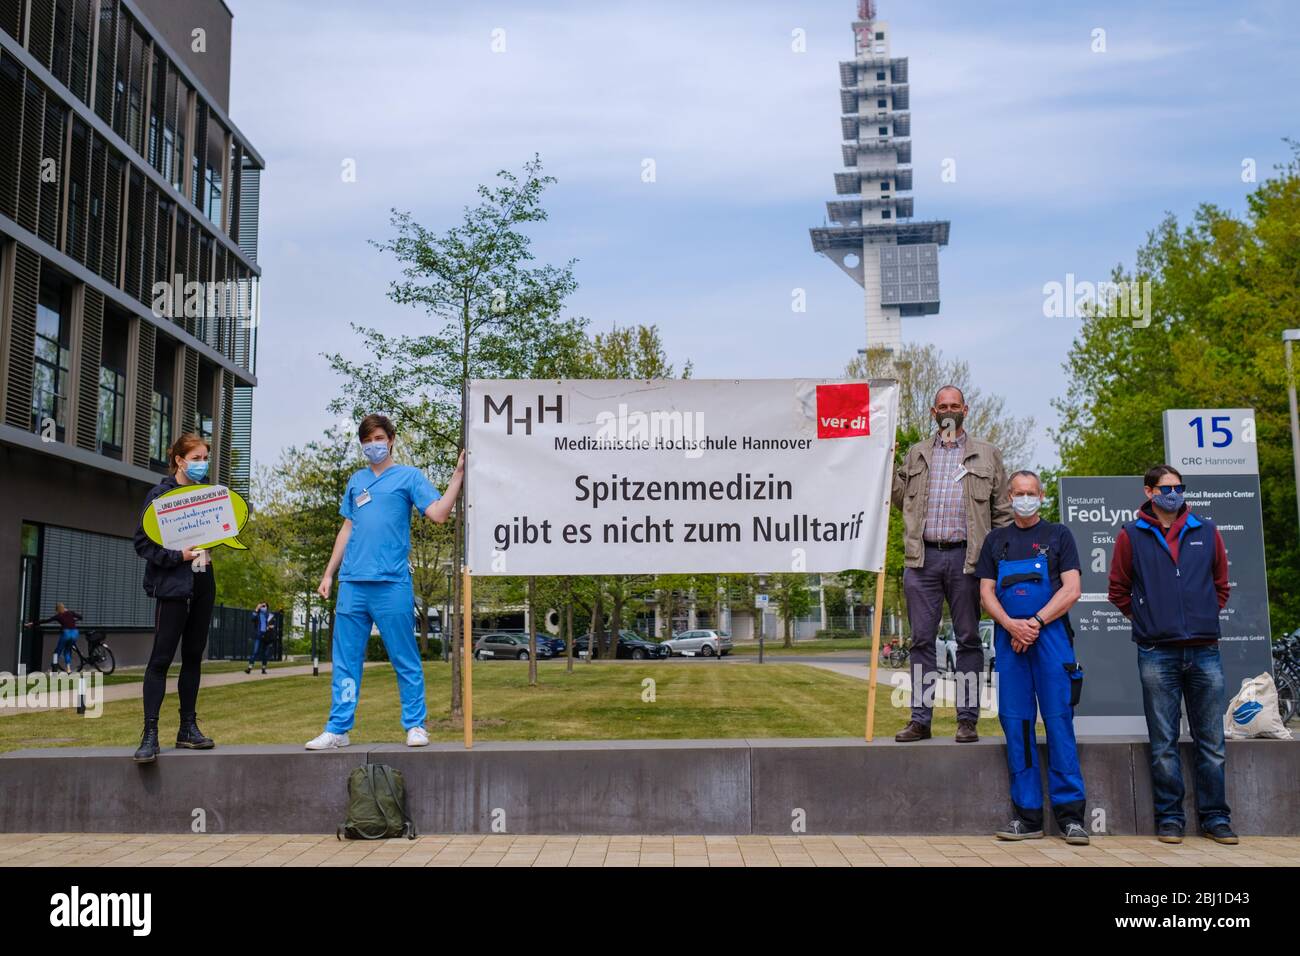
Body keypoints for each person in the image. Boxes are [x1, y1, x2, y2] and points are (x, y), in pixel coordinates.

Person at [306, 414, 464, 750]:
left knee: (404, 657)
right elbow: (347, 529)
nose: (373, 445)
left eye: (379, 437)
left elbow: (437, 514)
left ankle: (416, 725)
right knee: (346, 660)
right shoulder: (355, 481)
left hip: (392, 583)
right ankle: (338, 729)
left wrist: (457, 478)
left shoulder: (408, 477)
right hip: (352, 584)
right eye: (367, 440)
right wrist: (328, 573)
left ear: (391, 439)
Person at [1108, 464, 1236, 845]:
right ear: (1149, 492)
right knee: (1163, 743)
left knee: (1211, 741)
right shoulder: (1131, 535)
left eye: (1179, 487)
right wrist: (1148, 620)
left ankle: (1216, 819)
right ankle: (1170, 819)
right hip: (1156, 652)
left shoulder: (1206, 531)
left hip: (1204, 650)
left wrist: (1204, 617)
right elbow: (1118, 589)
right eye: (1166, 488)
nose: (1175, 493)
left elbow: (1221, 585)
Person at [891, 385, 1011, 742]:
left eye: (954, 405)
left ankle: (967, 719)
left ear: (965, 409)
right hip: (922, 559)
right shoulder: (916, 454)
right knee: (921, 641)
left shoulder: (987, 455)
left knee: (969, 640)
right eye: (942, 405)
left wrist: (999, 559)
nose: (948, 410)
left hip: (968, 560)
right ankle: (920, 720)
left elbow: (1002, 512)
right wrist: (888, 462)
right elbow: (898, 500)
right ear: (933, 411)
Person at [976, 471, 1088, 844]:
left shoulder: (1059, 536)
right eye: (1018, 493)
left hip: (1052, 640)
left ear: (1041, 496)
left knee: (1059, 723)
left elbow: (1072, 589)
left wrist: (1035, 623)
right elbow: (986, 593)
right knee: (1017, 726)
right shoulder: (996, 541)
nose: (1025, 498)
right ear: (1009, 497)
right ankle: (1027, 818)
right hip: (1011, 643)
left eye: (1031, 493)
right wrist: (1011, 625)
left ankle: (1071, 817)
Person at [130, 433, 217, 764]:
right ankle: (150, 733)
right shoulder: (159, 495)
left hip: (203, 582)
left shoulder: (207, 495)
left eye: (204, 457)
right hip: (172, 587)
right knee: (161, 659)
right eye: (196, 458)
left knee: (193, 656)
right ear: (180, 460)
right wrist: (177, 556)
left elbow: (217, 530)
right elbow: (143, 544)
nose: (201, 464)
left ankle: (187, 728)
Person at [27, 602, 83, 672]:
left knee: (57, 651)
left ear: (57, 610)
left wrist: (32, 623)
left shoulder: (58, 616)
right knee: (67, 650)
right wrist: (74, 620)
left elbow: (46, 621)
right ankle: (68, 669)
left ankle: (54, 667)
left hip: (66, 634)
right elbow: (81, 617)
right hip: (75, 633)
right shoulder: (71, 613)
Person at [246, 602, 272, 674]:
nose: (263, 607)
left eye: (264, 606)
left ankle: (263, 669)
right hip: (259, 635)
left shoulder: (268, 614)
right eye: (262, 606)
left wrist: (270, 627)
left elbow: (272, 622)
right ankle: (249, 668)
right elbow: (252, 618)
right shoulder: (257, 614)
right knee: (255, 651)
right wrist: (257, 608)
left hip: (266, 636)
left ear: (267, 607)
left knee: (265, 653)